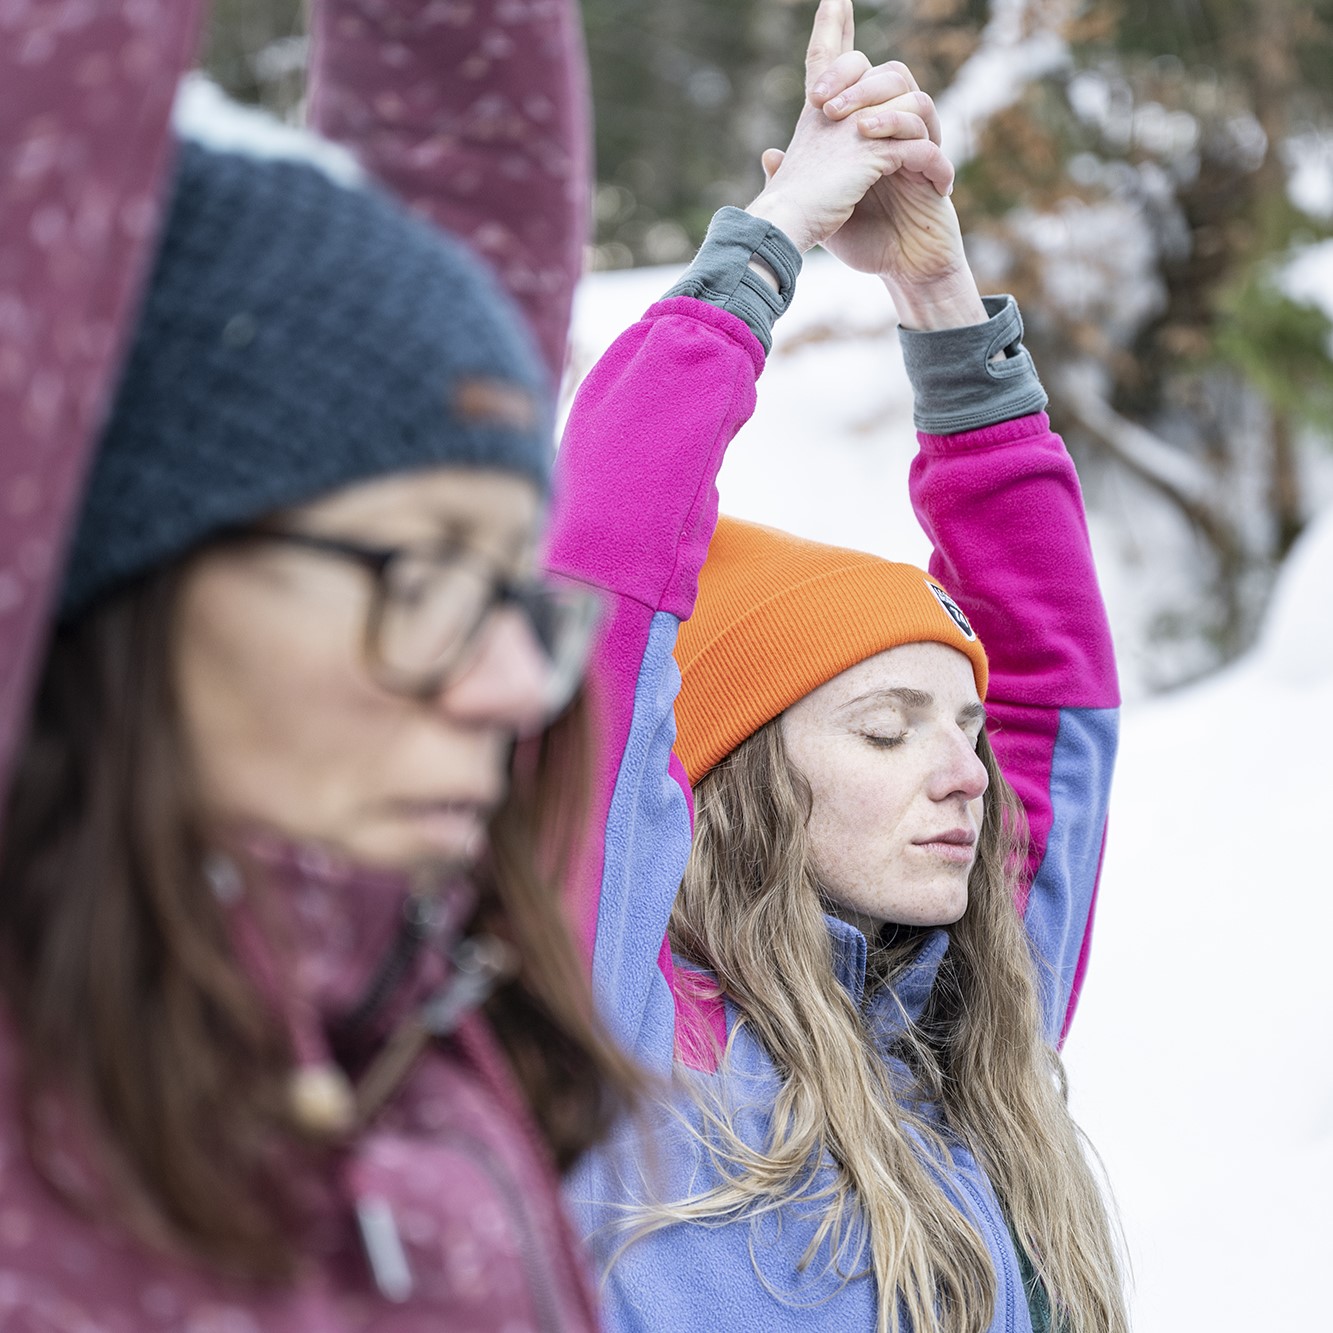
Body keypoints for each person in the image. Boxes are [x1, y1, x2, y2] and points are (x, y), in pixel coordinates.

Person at [0, 82, 639, 1331]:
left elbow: (470, 132)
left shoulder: (409, 1012)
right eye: (429, 573)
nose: (516, 687)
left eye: (514, 590)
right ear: (124, 561)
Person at [548, 2, 1129, 1329]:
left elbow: (1053, 683)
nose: (961, 772)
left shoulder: (965, 1029)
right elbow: (599, 585)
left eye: (960, 730)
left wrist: (936, 292)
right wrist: (771, 242)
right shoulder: (611, 1036)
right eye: (884, 729)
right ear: (739, 779)